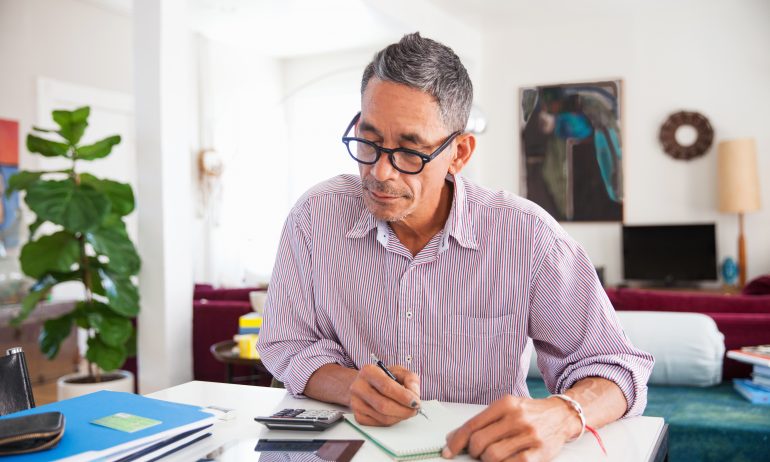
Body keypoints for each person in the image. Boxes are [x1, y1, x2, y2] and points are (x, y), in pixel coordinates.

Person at [258, 32, 653, 461]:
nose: (380, 172)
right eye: (368, 141)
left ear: (460, 152)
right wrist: (349, 384)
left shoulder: (527, 236)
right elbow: (285, 342)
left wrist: (560, 414)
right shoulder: (315, 218)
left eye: (409, 151)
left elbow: (616, 365)